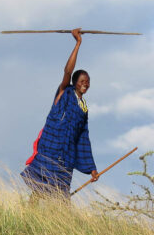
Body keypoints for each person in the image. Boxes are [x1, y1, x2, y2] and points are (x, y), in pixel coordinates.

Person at [21, 28, 99, 195]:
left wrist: (91, 168)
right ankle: (27, 218)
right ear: (75, 82)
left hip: (66, 157)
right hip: (49, 150)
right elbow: (68, 71)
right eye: (83, 81)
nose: (86, 84)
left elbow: (83, 138)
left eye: (88, 81)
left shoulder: (83, 108)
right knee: (38, 191)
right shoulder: (64, 92)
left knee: (61, 198)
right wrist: (78, 43)